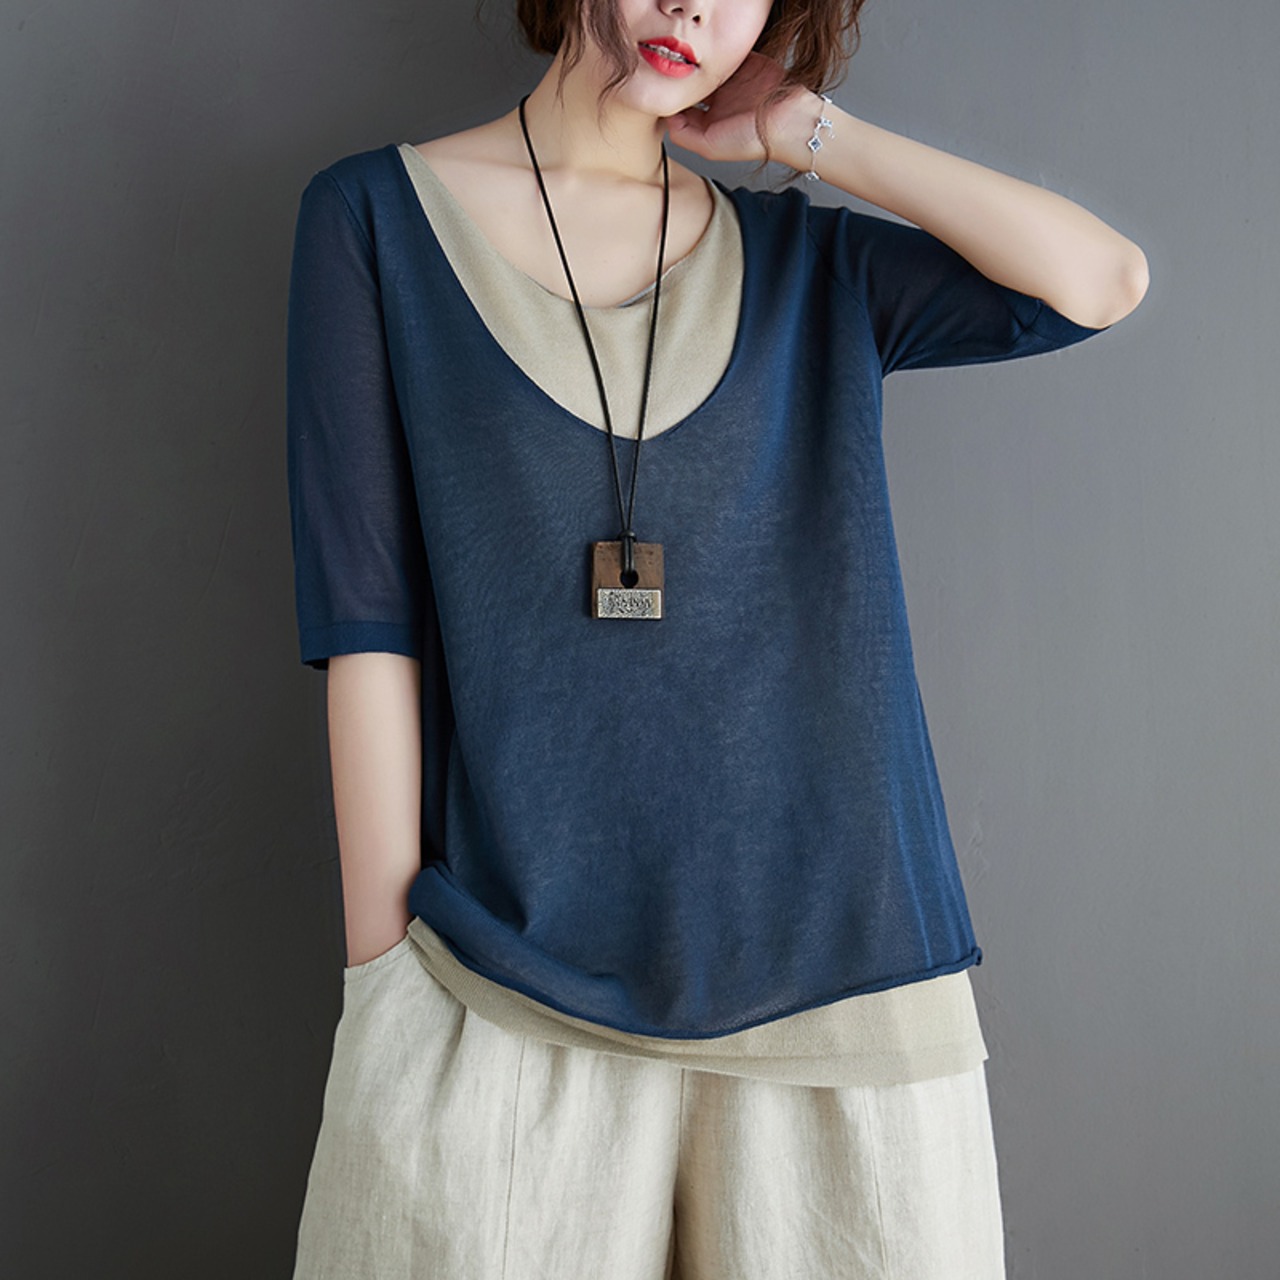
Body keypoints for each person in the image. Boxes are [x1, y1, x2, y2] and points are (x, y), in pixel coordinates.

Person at [284, 0, 1148, 1275]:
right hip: (504, 990)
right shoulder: (375, 219)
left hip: (844, 1009)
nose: (692, 4)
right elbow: (367, 622)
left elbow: (1098, 282)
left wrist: (808, 134)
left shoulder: (807, 267)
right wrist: (385, 977)